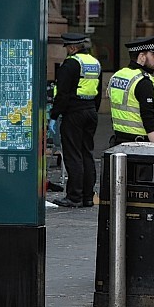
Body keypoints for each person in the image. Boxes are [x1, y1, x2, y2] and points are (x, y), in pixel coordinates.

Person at [49, 31, 102, 208]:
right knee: (87, 153)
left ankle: (74, 196)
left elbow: (62, 94)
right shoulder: (95, 63)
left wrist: (54, 116)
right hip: (90, 111)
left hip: (74, 113)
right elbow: (98, 93)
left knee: (73, 155)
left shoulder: (70, 64)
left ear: (72, 47)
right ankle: (88, 196)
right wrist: (94, 109)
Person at [107, 35, 154, 144]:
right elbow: (149, 121)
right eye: (153, 54)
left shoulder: (117, 76)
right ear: (142, 56)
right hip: (140, 145)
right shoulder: (143, 82)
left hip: (118, 142)